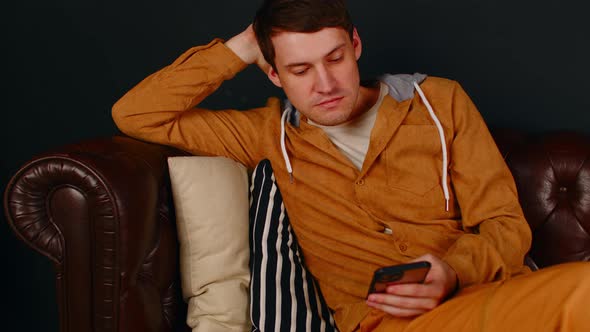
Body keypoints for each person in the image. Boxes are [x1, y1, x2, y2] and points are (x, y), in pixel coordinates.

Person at [112, 0, 590, 330]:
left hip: (495, 300)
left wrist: (453, 270)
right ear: (273, 73)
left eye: (335, 58)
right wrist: (243, 46)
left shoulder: (439, 101)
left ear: (356, 45)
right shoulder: (265, 135)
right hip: (387, 323)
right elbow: (136, 113)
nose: (326, 83)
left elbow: (506, 225)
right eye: (300, 70)